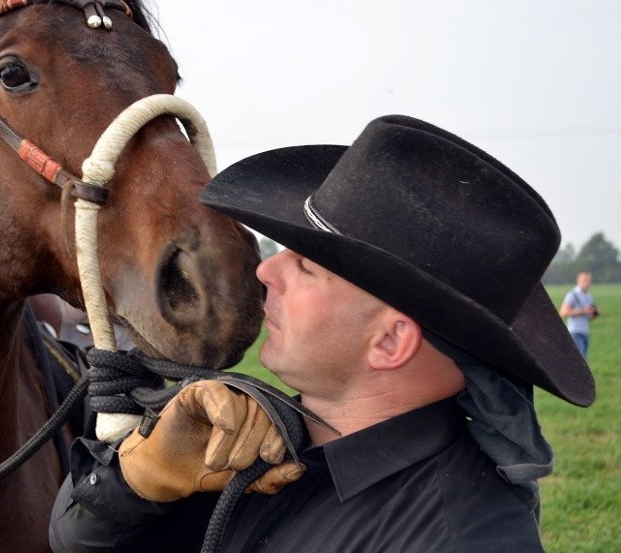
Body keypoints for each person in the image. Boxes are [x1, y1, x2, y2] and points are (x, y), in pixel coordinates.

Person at [48, 115, 596, 552]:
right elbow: (71, 539)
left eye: (305, 265)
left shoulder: (464, 540)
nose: (266, 271)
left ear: (389, 342)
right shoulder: (246, 445)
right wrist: (141, 477)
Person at [559, 271, 598, 357]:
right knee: (579, 362)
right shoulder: (572, 295)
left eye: (589, 280)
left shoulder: (588, 296)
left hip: (585, 332)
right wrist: (583, 311)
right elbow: (563, 312)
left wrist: (594, 313)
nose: (587, 283)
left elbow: (589, 318)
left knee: (584, 361)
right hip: (575, 332)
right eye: (584, 280)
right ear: (578, 280)